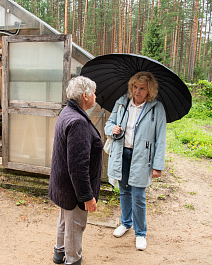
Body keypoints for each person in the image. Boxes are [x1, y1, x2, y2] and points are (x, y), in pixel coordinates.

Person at [104, 71, 167, 251]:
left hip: (142, 157)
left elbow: (160, 139)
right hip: (122, 153)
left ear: (150, 91)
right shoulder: (122, 102)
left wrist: (158, 166)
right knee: (124, 190)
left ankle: (140, 233)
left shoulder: (157, 108)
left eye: (142, 88)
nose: (137, 92)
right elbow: (109, 124)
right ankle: (125, 223)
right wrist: (112, 128)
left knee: (138, 195)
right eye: (135, 87)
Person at [49, 76, 103, 265]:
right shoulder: (78, 121)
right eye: (94, 93)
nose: (96, 96)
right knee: (75, 225)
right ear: (86, 95)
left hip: (63, 182)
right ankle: (72, 260)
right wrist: (87, 196)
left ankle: (60, 252)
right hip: (73, 187)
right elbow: (79, 166)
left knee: (65, 219)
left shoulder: (68, 112)